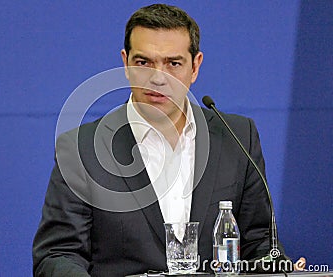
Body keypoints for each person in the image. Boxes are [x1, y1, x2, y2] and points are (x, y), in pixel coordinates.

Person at [33, 4, 288, 276]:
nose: (158, 78)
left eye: (173, 63)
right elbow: (57, 256)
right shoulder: (81, 150)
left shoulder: (237, 137)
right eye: (144, 63)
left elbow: (258, 243)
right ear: (126, 63)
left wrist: (278, 266)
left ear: (195, 66)